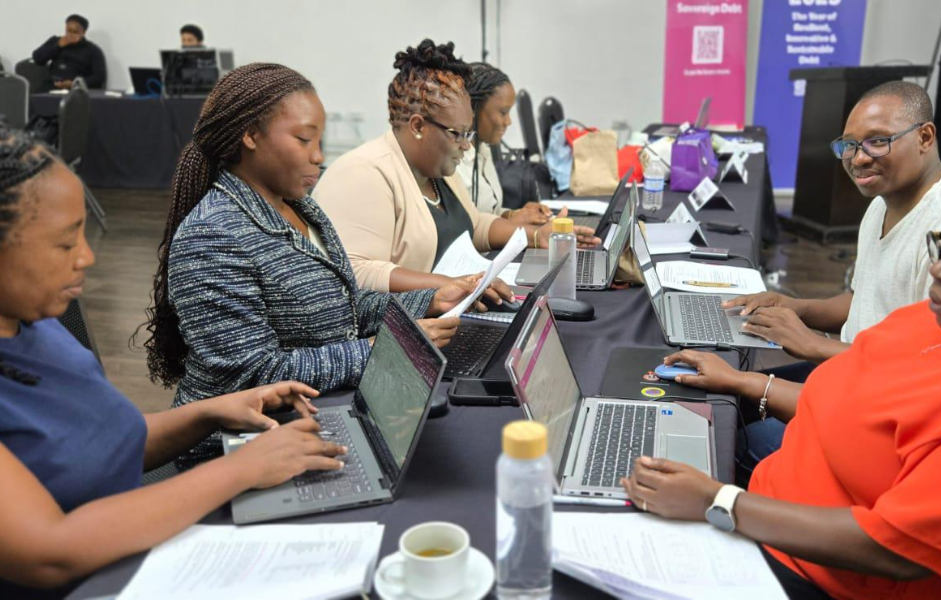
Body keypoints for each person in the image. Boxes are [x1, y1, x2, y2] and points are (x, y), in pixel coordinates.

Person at [0, 127, 348, 598]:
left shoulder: (36, 325)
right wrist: (242, 468)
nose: (86, 257)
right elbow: (49, 552)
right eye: (65, 244)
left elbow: (101, 445)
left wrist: (210, 411)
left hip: (130, 554)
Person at [624, 167, 941, 599]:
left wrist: (719, 501)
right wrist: (741, 381)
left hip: (806, 570)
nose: (936, 270)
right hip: (764, 506)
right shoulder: (937, 321)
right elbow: (846, 404)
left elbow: (891, 547)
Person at [142, 63, 482, 467]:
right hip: (240, 450)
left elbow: (344, 308)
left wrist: (426, 301)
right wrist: (382, 351)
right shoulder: (213, 235)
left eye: (320, 140)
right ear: (249, 135)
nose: (319, 157)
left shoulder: (300, 207)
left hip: (315, 415)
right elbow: (254, 378)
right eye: (304, 140)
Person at [724, 82, 941, 471]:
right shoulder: (883, 200)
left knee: (736, 442)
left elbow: (925, 369)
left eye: (878, 142)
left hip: (888, 405)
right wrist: (796, 307)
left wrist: (811, 345)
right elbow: (864, 298)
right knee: (725, 402)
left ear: (925, 137)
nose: (858, 159)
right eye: (849, 145)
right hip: (848, 370)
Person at [312, 39, 599, 293]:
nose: (466, 145)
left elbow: (475, 226)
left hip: (449, 312)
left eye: (468, 133)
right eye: (458, 134)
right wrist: (454, 284)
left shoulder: (436, 172)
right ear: (418, 127)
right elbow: (360, 271)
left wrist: (536, 235)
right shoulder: (364, 172)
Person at [457, 62, 550, 225]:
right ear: (473, 108)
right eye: (503, 112)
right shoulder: (454, 163)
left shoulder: (483, 148)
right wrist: (514, 225)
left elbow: (489, 212)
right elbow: (467, 229)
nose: (509, 121)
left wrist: (515, 214)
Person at [31, 14, 106, 90]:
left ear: (83, 32)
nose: (70, 35)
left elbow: (99, 78)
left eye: (75, 32)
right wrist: (58, 45)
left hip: (76, 89)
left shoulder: (93, 50)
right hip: (51, 86)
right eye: (68, 31)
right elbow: (37, 58)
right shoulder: (56, 41)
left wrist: (75, 83)